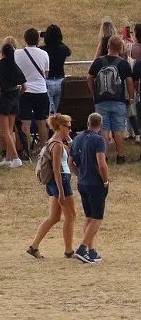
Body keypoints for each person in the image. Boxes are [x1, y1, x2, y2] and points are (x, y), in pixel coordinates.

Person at [26, 114, 74, 260]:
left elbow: (70, 150)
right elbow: (57, 170)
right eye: (68, 127)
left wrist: (68, 139)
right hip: (61, 182)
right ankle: (68, 250)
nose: (70, 129)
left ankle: (34, 246)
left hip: (53, 183)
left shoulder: (53, 141)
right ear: (60, 127)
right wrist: (61, 192)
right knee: (71, 216)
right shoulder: (57, 145)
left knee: (54, 217)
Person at [69, 112, 109, 263]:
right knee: (97, 218)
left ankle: (91, 251)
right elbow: (101, 164)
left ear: (87, 123)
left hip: (82, 183)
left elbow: (71, 161)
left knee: (89, 217)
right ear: (100, 125)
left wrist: (79, 174)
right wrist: (105, 181)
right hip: (95, 183)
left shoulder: (77, 138)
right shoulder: (98, 140)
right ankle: (82, 248)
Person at [87, 34, 131, 164]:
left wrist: (94, 92)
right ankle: (120, 156)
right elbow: (129, 81)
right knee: (118, 129)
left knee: (104, 128)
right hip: (118, 100)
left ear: (108, 46)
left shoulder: (98, 61)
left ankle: (103, 156)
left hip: (101, 100)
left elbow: (89, 77)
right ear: (121, 48)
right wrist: (131, 97)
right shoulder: (123, 63)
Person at [15, 28, 51, 151]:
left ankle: (26, 150)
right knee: (42, 121)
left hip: (24, 91)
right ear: (38, 39)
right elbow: (46, 73)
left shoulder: (17, 53)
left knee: (25, 122)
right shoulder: (44, 54)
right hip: (41, 90)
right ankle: (44, 150)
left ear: (25, 39)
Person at [0, 40, 25, 168]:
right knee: (11, 130)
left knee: (5, 131)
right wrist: (17, 95)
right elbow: (24, 87)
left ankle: (15, 158)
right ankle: (8, 158)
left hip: (4, 99)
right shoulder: (15, 66)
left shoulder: (0, 65)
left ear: (3, 53)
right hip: (14, 99)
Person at [41, 24, 70, 115]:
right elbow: (68, 51)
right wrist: (58, 40)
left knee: (49, 113)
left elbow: (35, 51)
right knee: (58, 113)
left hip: (48, 82)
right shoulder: (63, 49)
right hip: (60, 81)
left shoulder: (43, 50)